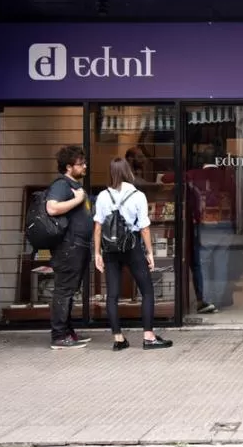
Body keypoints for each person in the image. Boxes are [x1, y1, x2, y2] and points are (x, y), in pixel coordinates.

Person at [93, 157, 172, 351]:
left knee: (112, 295)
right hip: (132, 246)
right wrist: (150, 253)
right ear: (128, 172)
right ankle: (148, 337)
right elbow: (144, 228)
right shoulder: (138, 195)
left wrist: (97, 253)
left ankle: (118, 339)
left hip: (110, 249)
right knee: (146, 290)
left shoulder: (103, 196)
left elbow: (97, 227)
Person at [45, 145, 94, 350]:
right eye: (80, 164)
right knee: (64, 290)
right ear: (68, 167)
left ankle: (68, 332)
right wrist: (77, 200)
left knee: (70, 290)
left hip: (79, 245)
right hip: (69, 247)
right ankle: (59, 335)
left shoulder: (72, 185)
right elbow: (52, 207)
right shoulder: (62, 185)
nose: (85, 166)